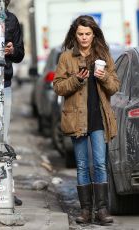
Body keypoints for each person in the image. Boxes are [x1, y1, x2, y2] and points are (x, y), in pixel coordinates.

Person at [53, 15, 120, 226]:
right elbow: (57, 86)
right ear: (75, 34)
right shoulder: (66, 57)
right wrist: (77, 79)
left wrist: (103, 77)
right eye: (81, 34)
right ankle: (85, 211)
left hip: (99, 117)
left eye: (88, 34)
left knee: (100, 164)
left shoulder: (103, 54)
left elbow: (115, 86)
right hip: (76, 119)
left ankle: (101, 210)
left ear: (94, 34)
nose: (84, 38)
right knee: (82, 165)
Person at [4, 0, 25, 206]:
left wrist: (12, 51)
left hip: (4, 84)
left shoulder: (11, 20)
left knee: (4, 137)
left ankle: (6, 188)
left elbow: (20, 53)